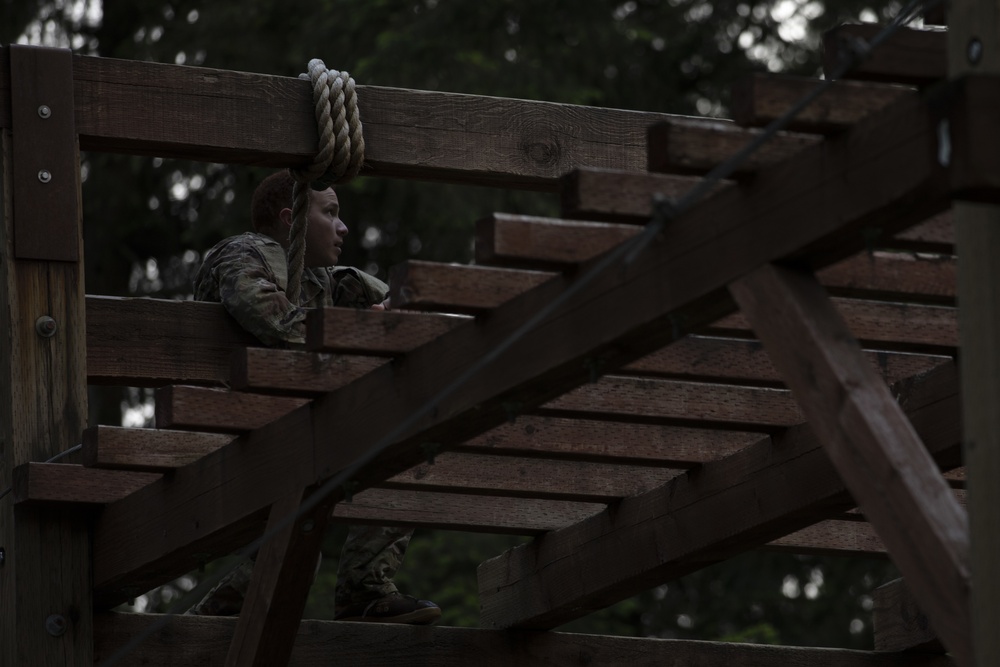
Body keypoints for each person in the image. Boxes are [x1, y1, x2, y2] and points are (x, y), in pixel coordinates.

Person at [188, 170, 441, 625]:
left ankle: (365, 589)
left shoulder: (326, 279)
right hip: (233, 430)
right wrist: (359, 336)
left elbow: (403, 305)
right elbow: (270, 318)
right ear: (293, 219)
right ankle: (211, 623)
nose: (343, 227)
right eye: (331, 213)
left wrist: (394, 315)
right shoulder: (243, 254)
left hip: (289, 432)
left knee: (405, 443)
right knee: (292, 558)